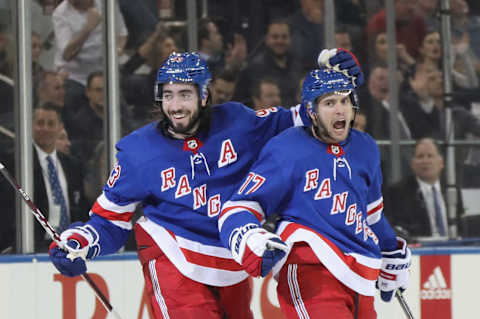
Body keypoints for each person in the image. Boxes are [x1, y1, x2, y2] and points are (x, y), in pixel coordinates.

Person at [48, 50, 362, 318]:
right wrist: (79, 243)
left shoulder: (240, 123)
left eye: (185, 94)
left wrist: (334, 80)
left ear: (203, 94)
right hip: (173, 255)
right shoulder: (138, 152)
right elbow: (109, 221)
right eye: (168, 95)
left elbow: (305, 116)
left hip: (231, 260)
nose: (175, 105)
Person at [217, 49, 411, 318]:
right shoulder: (287, 148)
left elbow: (371, 215)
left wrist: (392, 250)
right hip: (309, 266)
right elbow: (239, 207)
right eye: (329, 103)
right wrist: (249, 234)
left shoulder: (365, 147)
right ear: (311, 111)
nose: (340, 109)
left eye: (344, 100)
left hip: (359, 272)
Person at [0, 103, 88, 252]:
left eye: (51, 123)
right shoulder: (17, 163)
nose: (45, 129)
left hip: (67, 245)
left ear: (60, 127)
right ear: (31, 125)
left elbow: (79, 205)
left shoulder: (72, 165)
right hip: (31, 247)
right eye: (40, 123)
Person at [384, 137, 464, 239]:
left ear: (441, 162)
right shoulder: (398, 192)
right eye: (420, 156)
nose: (425, 161)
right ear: (412, 163)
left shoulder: (452, 189)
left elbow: (461, 225)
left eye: (430, 156)